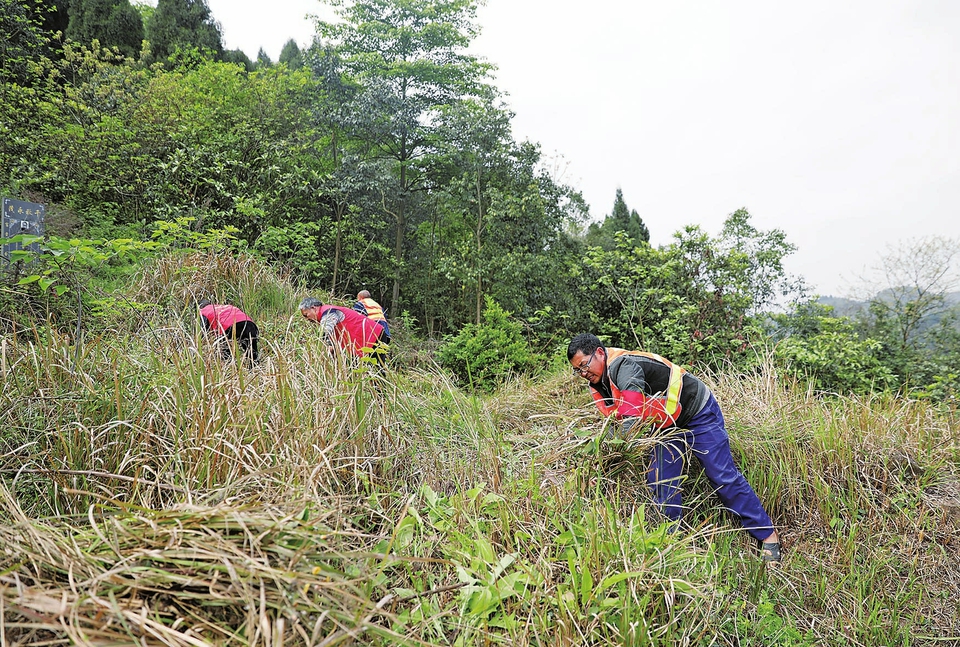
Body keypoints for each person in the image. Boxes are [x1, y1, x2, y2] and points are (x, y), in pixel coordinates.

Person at [567, 333, 781, 564]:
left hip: (697, 412)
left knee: (722, 475)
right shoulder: (598, 385)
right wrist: (594, 456)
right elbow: (614, 426)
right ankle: (672, 543)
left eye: (584, 365)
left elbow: (630, 421)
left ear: (599, 353)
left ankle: (768, 534)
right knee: (661, 481)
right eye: (577, 370)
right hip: (664, 424)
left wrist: (603, 452)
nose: (583, 373)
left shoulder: (624, 366)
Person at [299, 297, 387, 362]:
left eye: (306, 315)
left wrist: (322, 348)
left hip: (374, 335)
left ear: (313, 308)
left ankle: (379, 387)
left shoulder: (328, 312)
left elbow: (325, 331)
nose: (307, 319)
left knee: (376, 371)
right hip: (372, 336)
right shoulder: (328, 312)